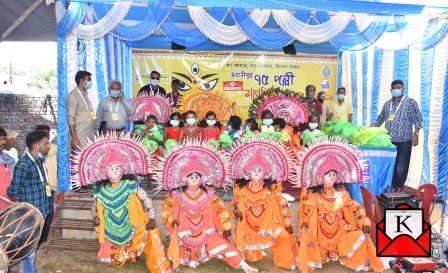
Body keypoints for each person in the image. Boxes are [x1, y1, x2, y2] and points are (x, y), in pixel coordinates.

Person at [70, 134, 171, 272]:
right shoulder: (101, 190)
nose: (115, 170)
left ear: (123, 170)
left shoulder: (130, 185)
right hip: (110, 229)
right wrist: (95, 217)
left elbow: (146, 200)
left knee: (153, 232)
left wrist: (152, 218)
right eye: (111, 168)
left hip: (132, 224)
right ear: (105, 172)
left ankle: (158, 264)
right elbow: (95, 207)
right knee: (117, 262)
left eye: (117, 167)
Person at [156, 142, 258, 272]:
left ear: (201, 180)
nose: (193, 179)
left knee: (223, 244)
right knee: (178, 252)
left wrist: (226, 226)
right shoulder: (177, 196)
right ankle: (191, 256)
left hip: (206, 235)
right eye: (190, 177)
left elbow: (221, 210)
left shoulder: (209, 196)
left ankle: (245, 266)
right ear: (184, 179)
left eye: (196, 177)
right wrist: (172, 221)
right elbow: (167, 212)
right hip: (184, 239)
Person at [296, 137, 384, 273]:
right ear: (320, 177)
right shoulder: (314, 195)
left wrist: (364, 222)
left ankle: (353, 259)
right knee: (309, 237)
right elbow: (304, 212)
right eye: (328, 174)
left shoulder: (342, 193)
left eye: (334, 174)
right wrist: (305, 224)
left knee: (361, 236)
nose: (332, 176)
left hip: (340, 232)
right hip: (319, 235)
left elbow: (355, 207)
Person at [229, 136, 299, 270]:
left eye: (259, 170)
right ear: (247, 172)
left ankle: (285, 261)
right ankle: (250, 253)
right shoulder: (240, 190)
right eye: (253, 170)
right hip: (248, 227)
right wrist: (236, 212)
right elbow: (234, 205)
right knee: (253, 257)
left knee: (284, 236)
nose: (256, 173)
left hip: (268, 224)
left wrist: (287, 223)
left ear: (265, 173)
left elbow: (282, 205)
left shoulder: (271, 190)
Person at [8, 130, 52, 273]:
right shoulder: (24, 164)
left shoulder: (40, 161)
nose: (49, 146)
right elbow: (13, 192)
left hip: (42, 212)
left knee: (32, 247)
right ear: (36, 146)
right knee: (28, 249)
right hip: (29, 214)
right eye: (46, 143)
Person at [371, 80, 422, 190]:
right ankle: (389, 186)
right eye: (394, 88)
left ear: (402, 89)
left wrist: (416, 134)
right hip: (389, 141)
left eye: (398, 87)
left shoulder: (410, 102)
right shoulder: (388, 104)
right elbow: (381, 118)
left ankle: (398, 187)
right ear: (391, 90)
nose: (396, 89)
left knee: (401, 165)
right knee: (390, 164)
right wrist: (374, 126)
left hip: (404, 140)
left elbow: (417, 119)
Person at [66, 70, 95, 147]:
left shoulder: (86, 94)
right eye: (89, 79)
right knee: (79, 158)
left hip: (89, 135)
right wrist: (75, 138)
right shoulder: (73, 96)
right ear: (81, 81)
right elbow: (70, 119)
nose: (90, 82)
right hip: (79, 136)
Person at [35, 125, 58, 194]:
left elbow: (41, 154)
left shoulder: (53, 147)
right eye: (44, 133)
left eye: (48, 133)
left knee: (49, 202)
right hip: (37, 185)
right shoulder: (32, 147)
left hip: (49, 185)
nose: (47, 135)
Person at [0, 128, 15, 211]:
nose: (3, 142)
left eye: (4, 139)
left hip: (8, 201)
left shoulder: (9, 158)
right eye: (0, 139)